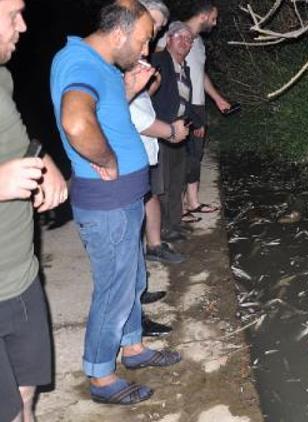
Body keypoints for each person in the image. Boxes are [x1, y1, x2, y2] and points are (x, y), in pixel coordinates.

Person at [50, 0, 180, 405]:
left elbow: (104, 113)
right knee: (114, 291)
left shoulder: (103, 67)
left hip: (123, 200)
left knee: (132, 280)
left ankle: (134, 348)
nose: (145, 50)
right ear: (120, 32)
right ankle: (102, 376)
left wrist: (128, 91)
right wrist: (105, 159)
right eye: (143, 40)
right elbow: (76, 121)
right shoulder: (81, 62)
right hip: (107, 203)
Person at [0, 0, 68, 420]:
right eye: (11, 15)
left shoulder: (1, 77)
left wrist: (45, 163)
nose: (23, 26)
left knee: (25, 395)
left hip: (19, 275)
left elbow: (16, 135)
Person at [158, 0, 229, 219]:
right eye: (214, 18)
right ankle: (177, 208)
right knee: (177, 157)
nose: (215, 24)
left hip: (197, 105)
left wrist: (217, 99)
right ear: (204, 15)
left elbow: (200, 74)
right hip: (179, 107)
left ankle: (193, 202)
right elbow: (160, 67)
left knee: (194, 155)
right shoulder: (175, 34)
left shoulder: (197, 43)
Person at [130, 0, 188, 266]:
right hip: (138, 146)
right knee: (135, 210)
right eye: (152, 25)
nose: (154, 34)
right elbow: (127, 111)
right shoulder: (124, 58)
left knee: (152, 193)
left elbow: (138, 100)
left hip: (148, 147)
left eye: (159, 27)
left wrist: (148, 88)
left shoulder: (142, 57)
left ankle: (155, 245)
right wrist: (169, 131)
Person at [151, 21, 204, 242]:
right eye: (179, 37)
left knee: (177, 180)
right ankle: (163, 229)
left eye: (188, 39)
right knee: (161, 185)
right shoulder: (158, 62)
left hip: (180, 131)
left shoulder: (185, 69)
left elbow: (186, 103)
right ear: (169, 39)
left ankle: (175, 224)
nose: (185, 42)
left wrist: (197, 121)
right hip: (162, 131)